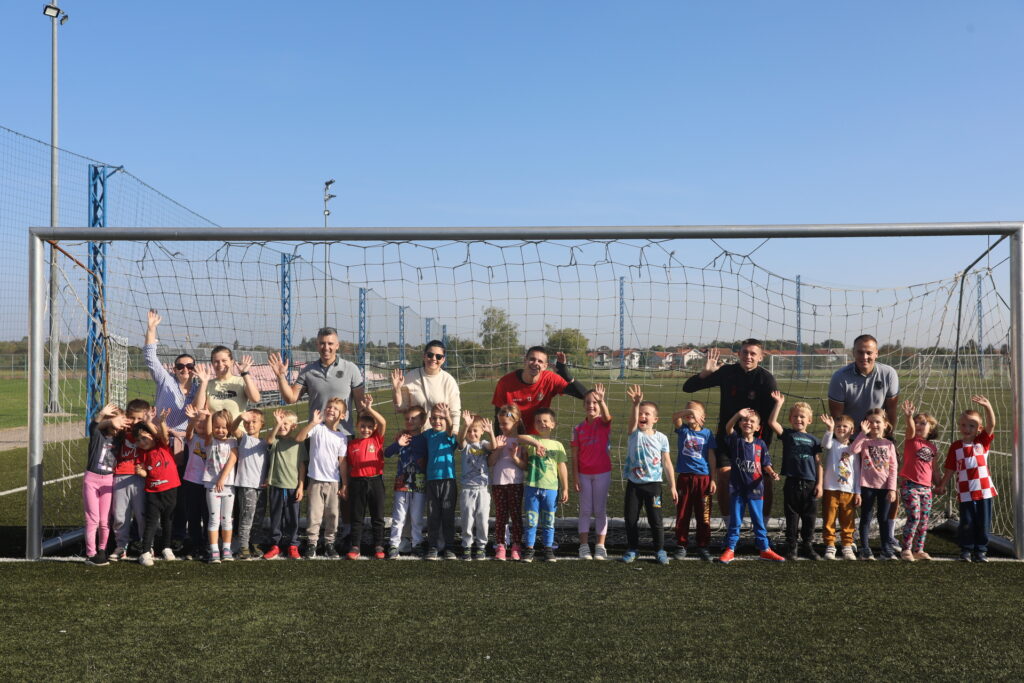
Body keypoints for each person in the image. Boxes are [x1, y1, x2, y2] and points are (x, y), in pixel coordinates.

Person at [682, 340, 780, 523]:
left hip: (755, 440)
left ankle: (763, 526)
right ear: (738, 354)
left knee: (764, 479)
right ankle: (729, 525)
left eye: (752, 353)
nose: (748, 356)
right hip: (727, 437)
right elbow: (688, 388)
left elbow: (769, 417)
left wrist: (763, 445)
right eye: (744, 352)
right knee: (725, 476)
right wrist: (706, 372)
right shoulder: (727, 372)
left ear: (761, 356)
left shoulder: (766, 379)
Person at [829, 334, 901, 554]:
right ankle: (849, 538)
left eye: (869, 352)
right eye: (860, 351)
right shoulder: (840, 377)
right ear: (854, 353)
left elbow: (891, 410)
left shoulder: (889, 373)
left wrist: (886, 437)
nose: (865, 356)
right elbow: (837, 417)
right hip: (851, 440)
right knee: (850, 489)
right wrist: (848, 444)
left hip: (880, 439)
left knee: (890, 486)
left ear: (876, 353)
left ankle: (889, 536)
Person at [143, 310, 201, 546]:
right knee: (160, 486)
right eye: (180, 366)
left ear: (194, 368)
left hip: (188, 442)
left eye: (189, 366)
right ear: (174, 368)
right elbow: (150, 357)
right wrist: (151, 328)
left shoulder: (199, 389)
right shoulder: (165, 380)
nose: (185, 369)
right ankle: (150, 530)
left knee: (184, 490)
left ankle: (179, 532)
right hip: (163, 440)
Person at [718, 407, 785, 564]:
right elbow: (728, 428)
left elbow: (766, 464)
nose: (747, 422)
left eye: (752, 421)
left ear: (758, 427)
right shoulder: (735, 440)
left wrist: (771, 472)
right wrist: (737, 414)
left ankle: (764, 549)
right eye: (745, 420)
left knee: (758, 521)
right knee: (735, 522)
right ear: (740, 423)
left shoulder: (760, 444)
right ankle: (730, 549)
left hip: (755, 489)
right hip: (737, 489)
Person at [268, 327, 365, 433]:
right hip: (315, 436)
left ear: (337, 345)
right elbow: (291, 398)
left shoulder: (351, 369)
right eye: (322, 343)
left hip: (343, 436)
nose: (326, 347)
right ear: (317, 345)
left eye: (330, 343)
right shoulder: (308, 371)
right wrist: (281, 376)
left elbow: (361, 408)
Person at [936, 395, 997, 563]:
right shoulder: (955, 446)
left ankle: (981, 551)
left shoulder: (982, 442)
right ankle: (966, 550)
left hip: (984, 491)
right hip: (965, 493)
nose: (967, 428)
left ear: (979, 428)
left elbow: (992, 424)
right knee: (967, 522)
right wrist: (942, 484)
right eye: (963, 425)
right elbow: (949, 469)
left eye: (971, 425)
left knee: (983, 523)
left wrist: (988, 406)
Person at [621, 385, 677, 565]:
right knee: (630, 519)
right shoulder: (633, 434)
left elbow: (667, 462)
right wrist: (636, 405)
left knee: (656, 519)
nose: (642, 417)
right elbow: (632, 422)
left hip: (654, 485)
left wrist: (673, 485)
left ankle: (659, 550)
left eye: (647, 414)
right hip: (634, 484)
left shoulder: (661, 438)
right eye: (640, 414)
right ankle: (632, 549)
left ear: (655, 419)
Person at [767, 392, 822, 561]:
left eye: (802, 417)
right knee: (792, 516)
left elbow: (819, 463)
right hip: (792, 482)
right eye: (795, 416)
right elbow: (771, 422)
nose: (799, 419)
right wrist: (779, 403)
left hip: (810, 483)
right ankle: (792, 546)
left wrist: (820, 484)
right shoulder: (788, 434)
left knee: (809, 517)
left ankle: (808, 545)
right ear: (790, 419)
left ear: (809, 420)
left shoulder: (814, 440)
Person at [295, 399, 349, 559]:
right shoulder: (317, 428)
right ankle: (312, 543)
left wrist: (344, 484)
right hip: (315, 481)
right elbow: (299, 438)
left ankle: (329, 543)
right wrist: (312, 423)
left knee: (333, 514)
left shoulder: (341, 437)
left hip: (333, 482)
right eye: (329, 407)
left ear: (343, 415)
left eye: (335, 408)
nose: (331, 409)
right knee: (314, 514)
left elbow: (342, 462)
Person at [491, 346, 587, 434]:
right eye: (532, 359)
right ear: (525, 361)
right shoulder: (505, 382)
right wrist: (497, 446)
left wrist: (567, 376)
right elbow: (498, 416)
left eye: (540, 361)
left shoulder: (550, 379)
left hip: (538, 440)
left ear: (545, 366)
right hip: (512, 438)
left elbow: (585, 395)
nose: (536, 363)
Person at [517, 408, 569, 563]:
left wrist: (565, 487)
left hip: (551, 488)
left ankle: (548, 548)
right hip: (532, 487)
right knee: (531, 520)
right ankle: (529, 549)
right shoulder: (531, 440)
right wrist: (536, 443)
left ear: (553, 424)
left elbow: (562, 466)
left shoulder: (558, 445)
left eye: (545, 421)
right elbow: (518, 436)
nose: (542, 424)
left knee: (548, 520)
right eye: (538, 421)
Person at [671, 400, 717, 562]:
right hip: (684, 478)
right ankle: (681, 544)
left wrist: (713, 479)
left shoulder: (708, 434)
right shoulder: (682, 430)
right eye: (688, 411)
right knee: (683, 513)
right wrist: (689, 411)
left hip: (703, 479)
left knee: (703, 514)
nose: (691, 413)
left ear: (702, 417)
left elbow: (711, 458)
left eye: (695, 412)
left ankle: (703, 545)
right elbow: (674, 417)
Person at [850, 409, 898, 561]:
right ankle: (865, 548)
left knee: (883, 518)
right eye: (870, 421)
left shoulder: (889, 444)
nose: (874, 425)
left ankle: (886, 548)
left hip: (884, 487)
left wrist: (892, 488)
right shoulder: (864, 442)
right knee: (866, 518)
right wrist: (862, 433)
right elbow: (852, 450)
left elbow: (893, 467)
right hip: (867, 486)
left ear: (885, 424)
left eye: (878, 421)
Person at [134, 410, 181, 567]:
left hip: (170, 489)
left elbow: (164, 436)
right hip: (153, 492)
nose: (142, 441)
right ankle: (146, 551)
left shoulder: (162, 445)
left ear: (152, 436)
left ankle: (166, 548)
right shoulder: (142, 453)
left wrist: (159, 421)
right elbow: (145, 470)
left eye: (145, 437)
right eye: (139, 439)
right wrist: (142, 472)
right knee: (151, 522)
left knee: (168, 520)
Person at [571, 384, 612, 561]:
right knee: (585, 510)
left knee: (600, 510)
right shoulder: (577, 429)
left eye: (595, 402)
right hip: (584, 475)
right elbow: (574, 455)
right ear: (583, 405)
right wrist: (575, 476)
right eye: (588, 402)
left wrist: (602, 401)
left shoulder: (602, 423)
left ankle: (600, 546)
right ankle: (584, 546)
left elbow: (608, 417)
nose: (591, 405)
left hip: (602, 473)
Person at [345, 394, 388, 560]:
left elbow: (383, 422)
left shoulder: (377, 439)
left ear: (374, 428)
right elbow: (348, 466)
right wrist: (346, 485)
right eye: (362, 426)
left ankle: (379, 545)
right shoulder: (351, 444)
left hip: (375, 481)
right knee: (357, 516)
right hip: (357, 483)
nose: (366, 430)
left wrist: (369, 408)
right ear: (357, 426)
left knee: (378, 516)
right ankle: (355, 546)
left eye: (370, 427)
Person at [82, 403, 125, 566]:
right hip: (91, 480)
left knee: (105, 520)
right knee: (92, 519)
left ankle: (102, 550)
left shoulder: (120, 438)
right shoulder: (98, 435)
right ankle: (91, 553)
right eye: (118, 420)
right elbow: (94, 424)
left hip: (108, 480)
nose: (120, 423)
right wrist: (102, 414)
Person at [262, 409, 307, 561]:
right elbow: (268, 440)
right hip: (276, 485)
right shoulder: (275, 441)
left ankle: (293, 544)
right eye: (280, 423)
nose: (282, 426)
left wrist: (301, 486)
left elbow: (302, 466)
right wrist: (277, 423)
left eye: (285, 423)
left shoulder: (297, 443)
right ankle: (275, 545)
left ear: (293, 426)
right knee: (276, 516)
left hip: (293, 486)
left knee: (292, 517)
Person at [489, 403, 532, 561]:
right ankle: (500, 545)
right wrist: (498, 449)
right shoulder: (497, 439)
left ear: (516, 421)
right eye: (499, 423)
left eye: (504, 423)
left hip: (515, 483)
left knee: (515, 515)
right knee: (501, 515)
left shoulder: (522, 441)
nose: (501, 426)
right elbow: (490, 462)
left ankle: (516, 545)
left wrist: (514, 457)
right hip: (498, 483)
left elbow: (525, 466)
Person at [108, 398, 150, 562]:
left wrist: (149, 423)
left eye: (140, 418)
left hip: (140, 478)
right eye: (132, 418)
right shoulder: (120, 432)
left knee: (142, 515)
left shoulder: (147, 434)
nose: (135, 422)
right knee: (120, 515)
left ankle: (146, 546)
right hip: (120, 477)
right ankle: (121, 546)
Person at [898, 400, 940, 561]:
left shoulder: (932, 448)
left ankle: (919, 549)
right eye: (916, 423)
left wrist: (940, 484)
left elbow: (933, 469)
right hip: (910, 486)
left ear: (931, 427)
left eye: (923, 423)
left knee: (924, 521)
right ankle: (906, 549)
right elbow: (909, 428)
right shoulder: (911, 440)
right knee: (914, 517)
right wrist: (909, 417)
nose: (918, 426)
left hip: (926, 489)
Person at [384, 406, 428, 559]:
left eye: (414, 418)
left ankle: (417, 544)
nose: (410, 421)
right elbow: (387, 453)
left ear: (422, 421)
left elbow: (428, 459)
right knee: (399, 516)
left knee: (417, 517)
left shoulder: (425, 438)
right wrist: (398, 444)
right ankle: (394, 544)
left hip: (420, 483)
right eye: (407, 418)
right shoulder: (402, 437)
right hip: (401, 483)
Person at [391, 340, 462, 431]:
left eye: (438, 356)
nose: (434, 358)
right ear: (424, 356)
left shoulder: (449, 381)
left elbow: (455, 412)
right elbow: (401, 408)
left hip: (440, 437)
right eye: (430, 355)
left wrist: (454, 433)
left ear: (443, 360)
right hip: (417, 435)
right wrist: (396, 390)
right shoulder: (410, 377)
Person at [817, 414, 859, 561]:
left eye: (845, 426)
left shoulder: (854, 449)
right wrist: (829, 429)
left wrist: (858, 492)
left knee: (848, 519)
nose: (841, 429)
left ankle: (847, 545)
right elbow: (825, 444)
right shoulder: (833, 444)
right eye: (838, 426)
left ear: (852, 430)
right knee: (829, 519)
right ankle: (830, 544)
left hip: (849, 490)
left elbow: (857, 472)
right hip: (831, 488)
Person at [231, 409, 269, 560]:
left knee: (258, 517)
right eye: (247, 422)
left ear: (262, 424)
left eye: (254, 422)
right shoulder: (243, 438)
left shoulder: (266, 442)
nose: (250, 424)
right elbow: (232, 429)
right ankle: (243, 546)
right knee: (247, 516)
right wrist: (240, 417)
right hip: (247, 485)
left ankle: (255, 543)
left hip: (261, 486)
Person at [202, 409, 239, 563]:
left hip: (228, 486)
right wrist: (209, 416)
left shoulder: (233, 442)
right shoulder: (209, 441)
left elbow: (233, 459)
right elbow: (209, 432)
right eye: (217, 427)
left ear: (229, 428)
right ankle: (214, 550)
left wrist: (222, 478)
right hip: (212, 485)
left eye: (224, 427)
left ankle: (226, 548)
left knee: (227, 519)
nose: (220, 430)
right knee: (213, 520)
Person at [457, 411, 495, 561]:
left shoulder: (484, 444)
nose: (472, 433)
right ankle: (466, 545)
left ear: (481, 432)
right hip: (467, 489)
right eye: (470, 431)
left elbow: (494, 446)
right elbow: (460, 439)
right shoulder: (465, 446)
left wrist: (491, 432)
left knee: (482, 518)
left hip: (483, 489)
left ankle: (481, 546)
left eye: (475, 430)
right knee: (467, 519)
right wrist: (465, 425)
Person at [195, 346, 260, 419]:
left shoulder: (241, 381)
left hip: (238, 429)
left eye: (224, 360)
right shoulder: (207, 384)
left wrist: (245, 373)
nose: (220, 364)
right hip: (215, 430)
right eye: (216, 361)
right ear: (212, 364)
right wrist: (203, 383)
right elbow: (198, 410)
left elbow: (255, 399)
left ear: (232, 362)